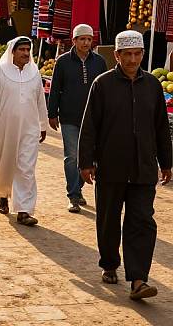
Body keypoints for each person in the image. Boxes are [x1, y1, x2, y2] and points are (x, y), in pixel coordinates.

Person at [79, 30, 172, 300]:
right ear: (117, 55)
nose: (133, 60)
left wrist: (167, 162)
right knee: (108, 220)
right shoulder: (102, 84)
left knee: (142, 221)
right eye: (127, 54)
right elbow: (90, 127)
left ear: (143, 54)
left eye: (137, 54)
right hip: (111, 167)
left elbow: (161, 129)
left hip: (143, 167)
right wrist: (86, 162)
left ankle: (139, 280)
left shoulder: (153, 86)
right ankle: (109, 263)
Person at [0, 37, 47, 226]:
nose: (26, 53)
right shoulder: (0, 72)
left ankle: (24, 210)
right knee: (5, 164)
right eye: (22, 49)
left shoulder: (34, 72)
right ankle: (3, 194)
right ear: (12, 52)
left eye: (28, 49)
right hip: (4, 127)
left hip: (29, 129)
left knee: (26, 168)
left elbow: (41, 101)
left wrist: (43, 125)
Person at [48, 24, 107, 213]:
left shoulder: (99, 62)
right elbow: (55, 88)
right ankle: (73, 195)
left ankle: (78, 188)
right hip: (69, 117)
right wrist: (52, 113)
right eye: (82, 39)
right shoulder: (63, 62)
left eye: (89, 39)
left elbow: (106, 91)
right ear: (74, 41)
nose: (86, 43)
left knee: (89, 156)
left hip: (94, 119)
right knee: (71, 157)